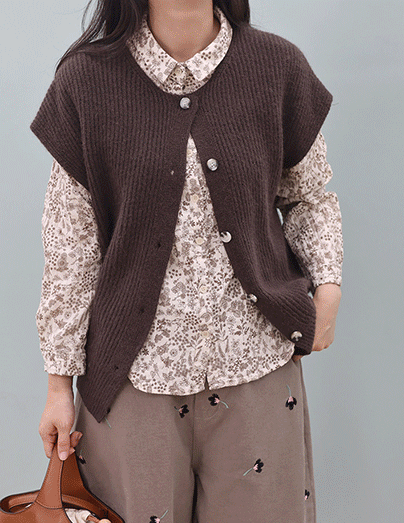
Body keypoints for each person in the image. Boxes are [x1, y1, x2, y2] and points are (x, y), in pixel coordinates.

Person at [30, 1, 343, 522]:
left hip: (257, 368)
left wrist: (328, 285)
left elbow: (309, 196)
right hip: (132, 382)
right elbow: (71, 250)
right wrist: (58, 386)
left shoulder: (276, 67)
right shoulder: (87, 82)